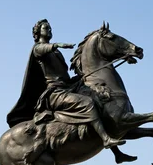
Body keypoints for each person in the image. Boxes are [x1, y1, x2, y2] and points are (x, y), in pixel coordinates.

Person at [7, 19, 125, 149]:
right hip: (55, 93)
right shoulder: (39, 49)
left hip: (66, 88)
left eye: (50, 28)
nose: (49, 30)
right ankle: (106, 139)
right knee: (87, 103)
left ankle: (117, 153)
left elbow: (64, 77)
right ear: (38, 33)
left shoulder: (56, 53)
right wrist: (56, 45)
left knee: (98, 100)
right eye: (46, 28)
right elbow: (40, 49)